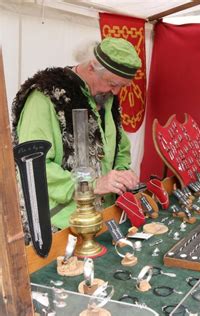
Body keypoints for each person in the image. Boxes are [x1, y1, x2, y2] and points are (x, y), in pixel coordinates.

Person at [11, 37, 141, 234]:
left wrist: (121, 174)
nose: (116, 92)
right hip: (58, 225)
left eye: (122, 86)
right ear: (91, 67)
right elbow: (33, 166)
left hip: (102, 218)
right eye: (113, 83)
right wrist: (92, 184)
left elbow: (120, 148)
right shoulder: (45, 98)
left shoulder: (105, 97)